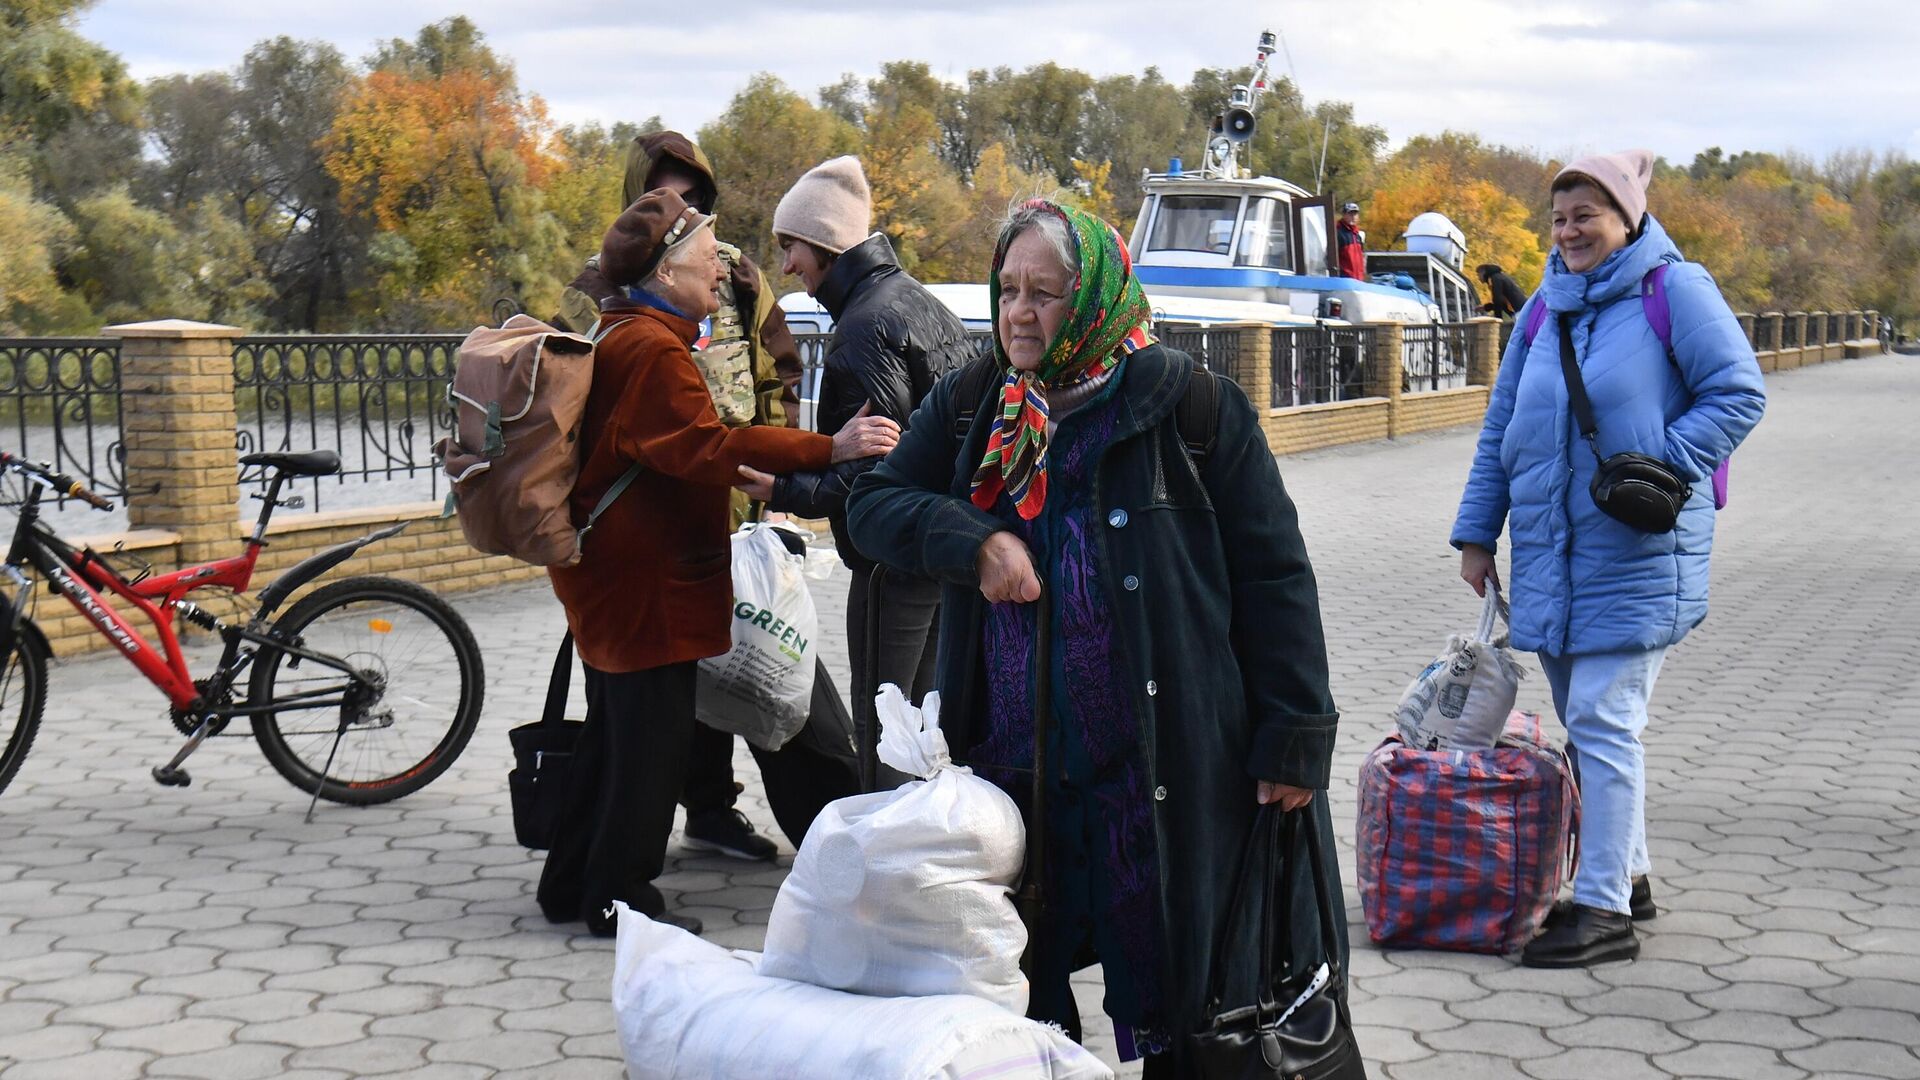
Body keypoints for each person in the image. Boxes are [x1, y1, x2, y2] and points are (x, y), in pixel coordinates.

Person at [846, 199, 1345, 1074]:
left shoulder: (1193, 408)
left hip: (1160, 767)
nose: (1020, 314)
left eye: (1045, 292)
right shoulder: (976, 404)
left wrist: (1294, 738)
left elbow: (1275, 579)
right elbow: (874, 507)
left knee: (1180, 990)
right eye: (1007, 290)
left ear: (1096, 298)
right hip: (1014, 771)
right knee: (1018, 992)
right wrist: (975, 538)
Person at [537, 189, 900, 938]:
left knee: (611, 738)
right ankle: (619, 898)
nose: (721, 271)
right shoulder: (651, 350)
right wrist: (828, 448)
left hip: (618, 580)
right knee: (647, 750)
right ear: (666, 272)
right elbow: (710, 448)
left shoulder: (626, 331)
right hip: (647, 590)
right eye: (707, 259)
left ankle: (570, 880)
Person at [1452, 150, 1765, 967]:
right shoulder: (1541, 311)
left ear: (1627, 218)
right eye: (1558, 218)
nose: (1569, 231)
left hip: (1637, 549)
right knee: (1589, 725)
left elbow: (1739, 390)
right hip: (1552, 555)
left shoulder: (1675, 290)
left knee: (1604, 717)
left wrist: (1665, 460)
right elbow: (1502, 426)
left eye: (1585, 215)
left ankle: (1600, 912)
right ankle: (1627, 874)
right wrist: (1477, 532)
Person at [557, 131, 855, 861]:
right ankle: (620, 848)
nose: (682, 210)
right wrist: (821, 451)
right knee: (638, 702)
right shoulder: (612, 295)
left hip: (729, 509)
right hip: (644, 524)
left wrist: (778, 484)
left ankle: (695, 822)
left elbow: (775, 373)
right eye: (665, 197)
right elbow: (581, 401)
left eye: (692, 198)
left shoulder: (738, 277)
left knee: (751, 671)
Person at [734, 155, 975, 789]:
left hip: (894, 561)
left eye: (792, 248)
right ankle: (927, 857)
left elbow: (878, 475)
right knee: (928, 724)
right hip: (943, 548)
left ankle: (883, 868)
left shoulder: (862, 330)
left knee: (885, 731)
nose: (786, 267)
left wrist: (783, 488)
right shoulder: (923, 305)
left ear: (826, 245)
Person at [1336, 201, 1366, 280]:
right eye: (1350, 214)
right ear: (1344, 215)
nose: (1353, 216)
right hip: (1344, 281)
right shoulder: (1337, 233)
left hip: (1358, 280)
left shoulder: (1357, 235)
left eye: (1355, 214)